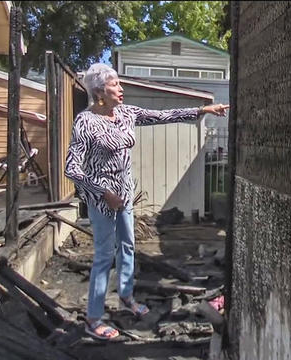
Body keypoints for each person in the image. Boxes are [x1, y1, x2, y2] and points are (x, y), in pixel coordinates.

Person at [65, 63, 228, 340]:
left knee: (128, 246)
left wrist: (202, 111)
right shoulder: (85, 122)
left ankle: (126, 298)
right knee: (104, 256)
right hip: (102, 199)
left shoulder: (126, 114)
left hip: (124, 194)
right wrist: (104, 193)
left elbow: (163, 115)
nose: (121, 88)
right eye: (115, 84)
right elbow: (72, 168)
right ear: (99, 91)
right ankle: (93, 319)